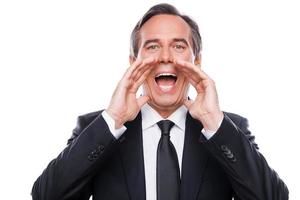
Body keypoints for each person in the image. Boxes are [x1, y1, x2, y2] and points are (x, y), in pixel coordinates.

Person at [32, 3, 288, 200]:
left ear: (196, 62)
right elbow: (46, 196)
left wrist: (214, 123)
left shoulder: (227, 129)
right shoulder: (98, 128)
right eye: (152, 47)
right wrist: (113, 120)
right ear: (134, 63)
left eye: (178, 46)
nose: (166, 57)